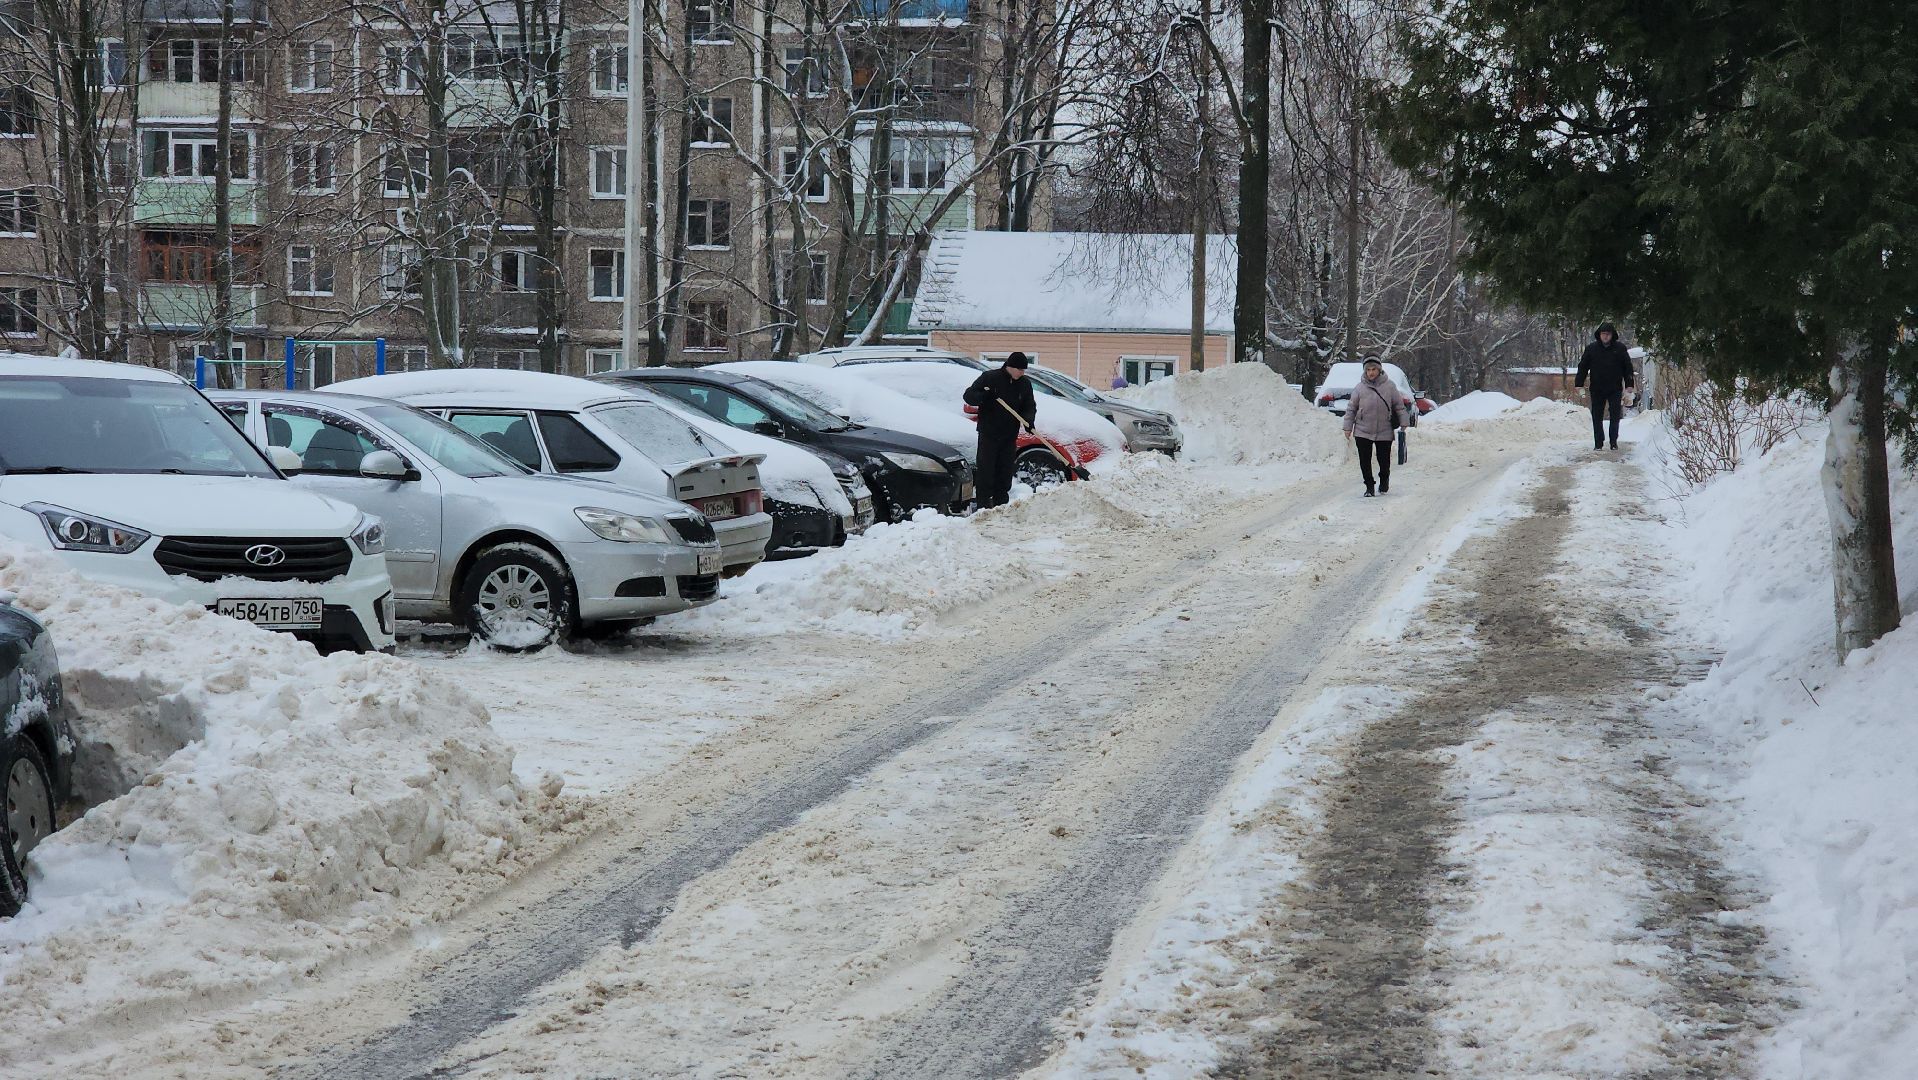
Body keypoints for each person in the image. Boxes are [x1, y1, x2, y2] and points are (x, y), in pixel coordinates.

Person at [962, 351, 1037, 508]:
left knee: (1004, 471)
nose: (1022, 373)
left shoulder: (1024, 384)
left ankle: (1001, 504)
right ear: (1011, 367)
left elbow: (1029, 405)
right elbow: (968, 395)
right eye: (1020, 370)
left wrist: (1028, 421)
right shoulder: (990, 378)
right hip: (988, 433)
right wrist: (984, 396)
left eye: (1024, 370)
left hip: (1009, 435)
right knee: (986, 470)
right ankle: (983, 505)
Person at [1342, 357, 1408, 497]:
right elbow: (1351, 408)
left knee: (1384, 461)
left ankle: (1384, 480)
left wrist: (1403, 422)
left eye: (1373, 369)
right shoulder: (1359, 388)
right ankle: (1369, 486)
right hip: (1362, 430)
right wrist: (1347, 427)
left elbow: (1399, 406)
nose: (1371, 373)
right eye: (1368, 370)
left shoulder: (1389, 386)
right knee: (1364, 460)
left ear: (1379, 370)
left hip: (1384, 429)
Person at [1575, 322, 1637, 451]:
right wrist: (1579, 383)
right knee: (1596, 415)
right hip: (1597, 387)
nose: (1605, 337)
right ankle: (1598, 442)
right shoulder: (1592, 349)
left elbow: (1627, 367)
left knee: (1615, 415)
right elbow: (1583, 366)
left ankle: (1613, 441)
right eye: (1603, 334)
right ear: (1599, 335)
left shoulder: (1620, 349)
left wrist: (1629, 385)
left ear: (1612, 335)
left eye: (1608, 334)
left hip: (1614, 387)